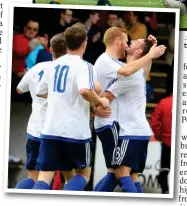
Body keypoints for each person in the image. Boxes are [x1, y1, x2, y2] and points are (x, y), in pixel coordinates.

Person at [32, 22, 110, 191]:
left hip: (50, 130)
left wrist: (62, 95)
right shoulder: (85, 66)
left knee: (45, 176)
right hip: (75, 132)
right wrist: (100, 102)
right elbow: (84, 90)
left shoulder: (53, 65)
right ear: (84, 43)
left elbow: (40, 92)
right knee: (83, 175)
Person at [93, 27, 166, 192]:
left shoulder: (129, 74)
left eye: (133, 42)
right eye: (127, 40)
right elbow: (144, 66)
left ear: (138, 50)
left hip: (130, 130)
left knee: (118, 172)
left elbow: (105, 98)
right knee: (130, 175)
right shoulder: (135, 70)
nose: (129, 43)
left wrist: (93, 108)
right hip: (139, 130)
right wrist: (151, 52)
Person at [15, 33, 67, 189]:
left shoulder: (37, 68)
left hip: (34, 130)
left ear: (50, 49)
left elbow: (19, 89)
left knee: (33, 178)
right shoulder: (68, 72)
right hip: (54, 132)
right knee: (49, 180)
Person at [12, 19, 39, 101]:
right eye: (29, 28)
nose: (31, 31)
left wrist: (45, 46)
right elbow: (19, 52)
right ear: (24, 28)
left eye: (34, 30)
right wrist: (30, 49)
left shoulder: (38, 41)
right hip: (18, 76)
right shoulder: (18, 38)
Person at [150, 94, 173, 194]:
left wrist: (160, 135)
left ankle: (165, 189)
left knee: (165, 167)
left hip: (167, 142)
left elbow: (154, 121)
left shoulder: (164, 102)